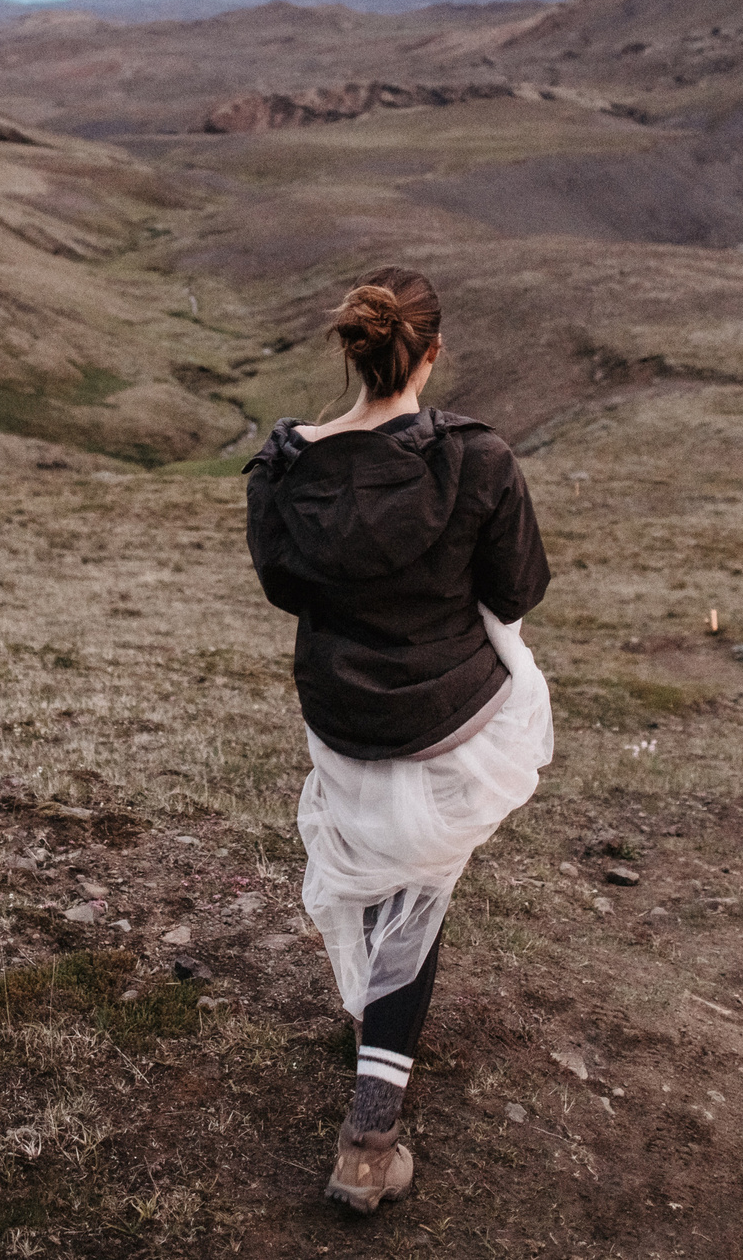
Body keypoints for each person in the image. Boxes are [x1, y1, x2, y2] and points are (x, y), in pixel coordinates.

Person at [243, 267, 553, 1214]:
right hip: (450, 718)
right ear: (432, 351)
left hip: (342, 712)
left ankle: (377, 1027)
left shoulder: (284, 466)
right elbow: (518, 590)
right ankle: (369, 1139)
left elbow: (286, 587)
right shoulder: (477, 458)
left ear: (353, 347)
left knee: (394, 878)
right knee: (418, 887)